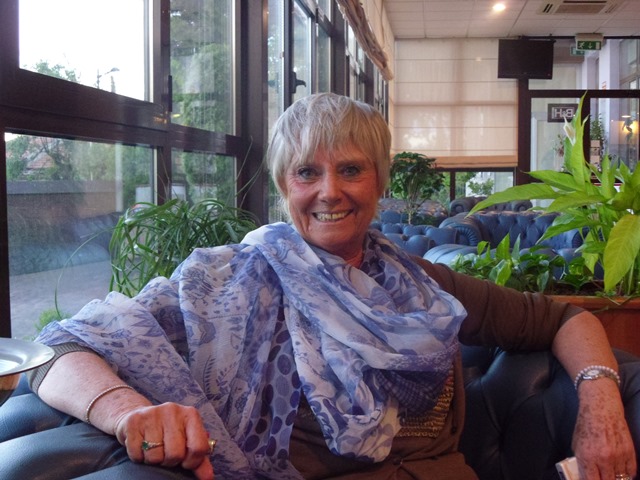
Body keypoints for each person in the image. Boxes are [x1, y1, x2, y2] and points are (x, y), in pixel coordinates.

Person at [28, 93, 635, 480]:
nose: (330, 191)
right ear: (283, 186)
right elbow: (58, 349)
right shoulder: (222, 281)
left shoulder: (422, 286)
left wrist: (600, 403)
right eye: (307, 172)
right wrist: (130, 413)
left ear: (380, 180)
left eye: (350, 169)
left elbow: (566, 319)